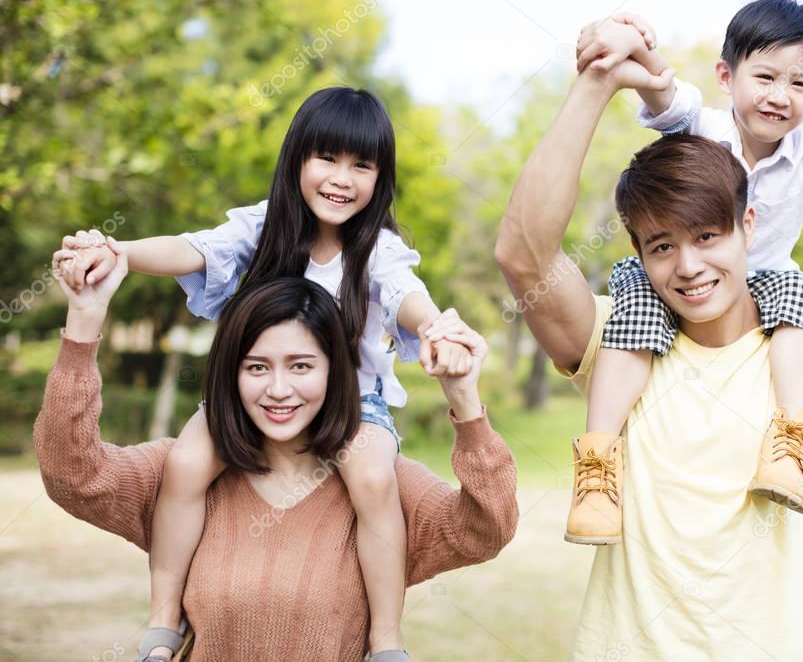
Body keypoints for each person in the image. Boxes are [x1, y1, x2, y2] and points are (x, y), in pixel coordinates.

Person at [495, 34, 803, 659]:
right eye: (661, 246)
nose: (689, 266)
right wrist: (596, 80)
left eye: (707, 235)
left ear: (748, 226)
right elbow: (522, 254)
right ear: (639, 255)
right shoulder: (619, 339)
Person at [58, 87, 474, 661]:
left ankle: (384, 640)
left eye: (362, 165)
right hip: (249, 398)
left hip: (354, 405)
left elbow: (408, 295)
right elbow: (192, 249)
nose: (342, 178)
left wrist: (435, 329)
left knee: (375, 481)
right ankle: (162, 622)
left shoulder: (377, 250)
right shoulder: (261, 227)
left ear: (381, 178)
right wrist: (118, 250)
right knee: (184, 464)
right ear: (297, 159)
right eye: (326, 158)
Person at [564, 0, 803, 543]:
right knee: (632, 306)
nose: (778, 95)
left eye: (798, 84)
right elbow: (656, 82)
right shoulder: (698, 123)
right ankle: (598, 463)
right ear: (727, 75)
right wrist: (627, 37)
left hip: (764, 284)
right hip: (675, 271)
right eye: (764, 76)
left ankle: (790, 441)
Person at [36, 240, 518, 661]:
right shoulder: (185, 469)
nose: (279, 389)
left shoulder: (382, 482)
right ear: (231, 373)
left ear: (336, 372)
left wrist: (464, 401)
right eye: (257, 368)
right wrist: (85, 319)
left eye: (302, 365)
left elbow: (486, 528)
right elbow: (71, 475)